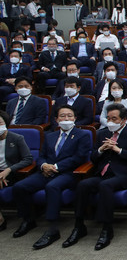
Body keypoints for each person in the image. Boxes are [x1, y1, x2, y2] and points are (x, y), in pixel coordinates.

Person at [63, 104, 127, 250]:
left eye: (115, 118)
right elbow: (93, 158)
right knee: (83, 185)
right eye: (108, 118)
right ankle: (79, 225)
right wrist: (101, 150)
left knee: (105, 186)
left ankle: (107, 228)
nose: (110, 121)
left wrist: (118, 150)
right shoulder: (101, 134)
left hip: (123, 176)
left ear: (124, 120)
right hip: (102, 174)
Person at [11, 105, 91, 249]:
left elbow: (79, 158)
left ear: (75, 118)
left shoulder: (82, 135)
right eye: (62, 116)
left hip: (68, 173)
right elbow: (41, 156)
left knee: (52, 187)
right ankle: (28, 219)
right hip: (46, 171)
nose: (66, 119)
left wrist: (56, 167)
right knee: (20, 187)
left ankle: (52, 228)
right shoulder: (50, 136)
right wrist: (43, 166)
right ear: (56, 119)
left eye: (69, 116)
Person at [0, 110, 34, 232]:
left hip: (13, 173)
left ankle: (3, 221)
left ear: (6, 124)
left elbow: (28, 159)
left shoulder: (17, 138)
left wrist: (8, 170)